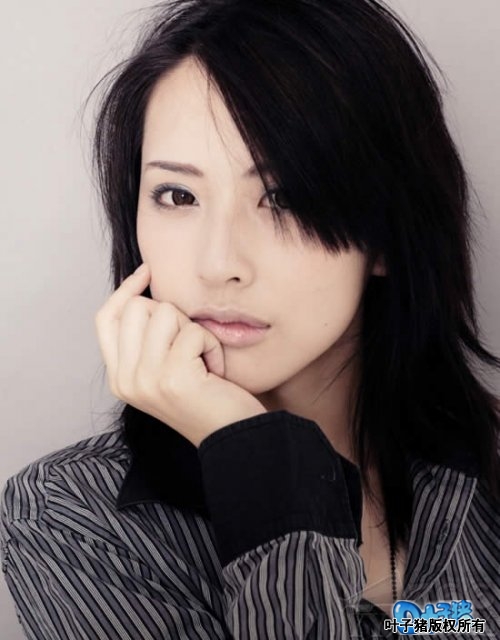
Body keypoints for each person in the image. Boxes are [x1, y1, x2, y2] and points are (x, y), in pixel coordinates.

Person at [1, 0, 499, 637]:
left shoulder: (483, 472)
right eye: (178, 195)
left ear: (386, 234)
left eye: (283, 197)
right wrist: (253, 454)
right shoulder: (72, 517)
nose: (219, 265)